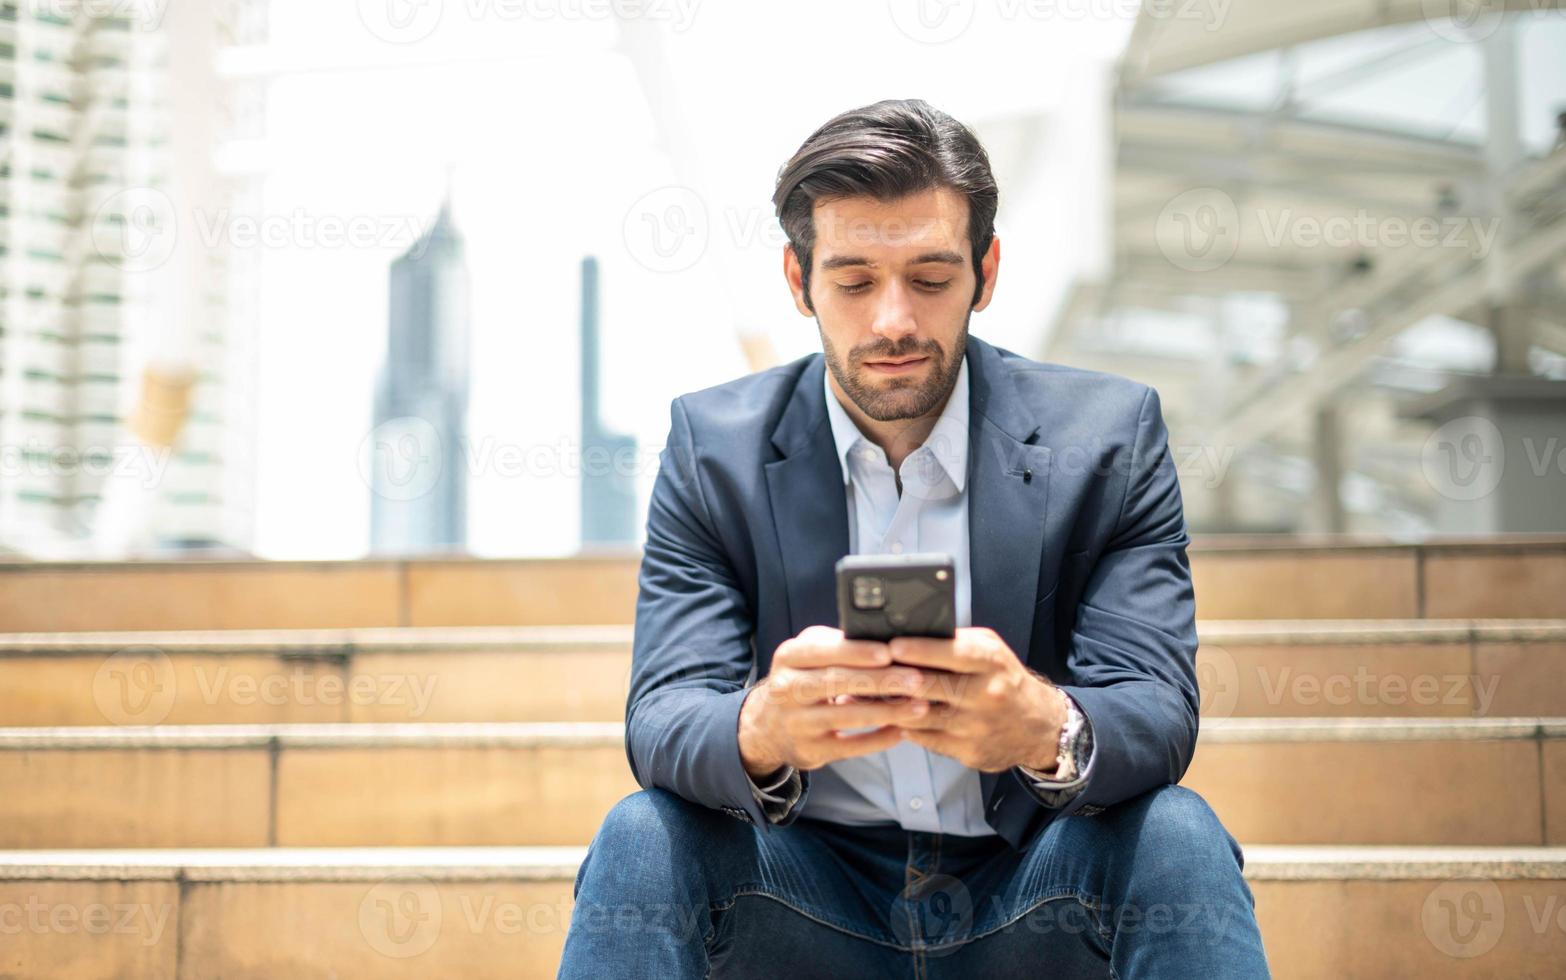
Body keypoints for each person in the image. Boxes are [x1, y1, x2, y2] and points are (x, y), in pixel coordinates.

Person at [558, 98, 1270, 978]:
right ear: (797, 278)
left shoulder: (1109, 439)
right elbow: (663, 715)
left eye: (930, 279)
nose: (893, 320)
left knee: (1176, 832)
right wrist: (762, 728)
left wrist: (1043, 726)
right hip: (803, 892)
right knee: (641, 835)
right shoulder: (716, 451)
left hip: (1032, 886)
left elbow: (1157, 707)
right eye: (854, 280)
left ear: (987, 270)